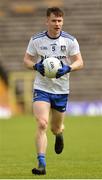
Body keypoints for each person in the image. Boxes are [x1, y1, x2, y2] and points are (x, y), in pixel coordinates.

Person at [24, 7, 84, 175]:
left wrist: (68, 68)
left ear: (62, 22)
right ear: (47, 21)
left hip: (61, 90)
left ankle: (59, 133)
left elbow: (80, 62)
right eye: (54, 21)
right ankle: (41, 163)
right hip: (42, 88)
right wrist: (36, 66)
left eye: (60, 21)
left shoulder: (70, 41)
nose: (57, 24)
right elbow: (27, 60)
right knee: (42, 123)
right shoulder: (36, 40)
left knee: (55, 128)